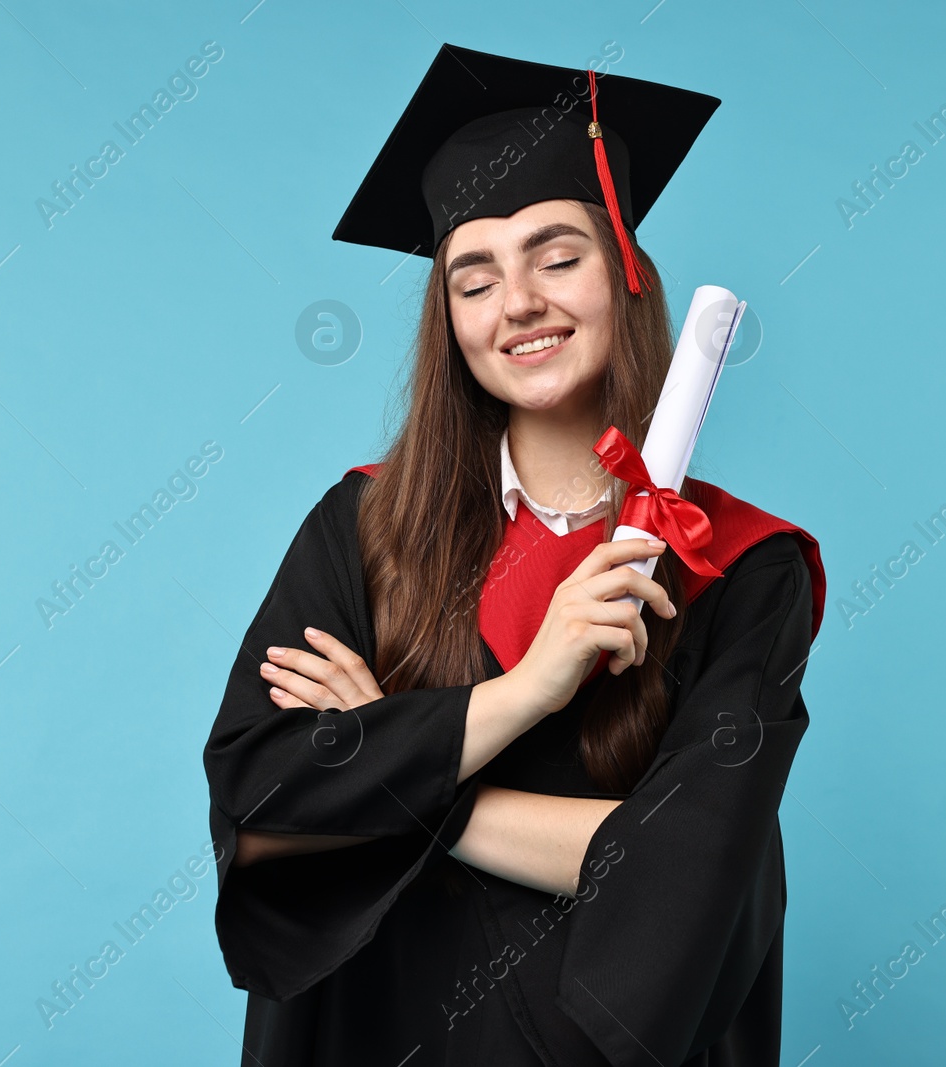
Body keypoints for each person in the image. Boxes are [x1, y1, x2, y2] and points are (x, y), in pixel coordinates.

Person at [203, 43, 827, 1067]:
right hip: (375, 1027)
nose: (517, 304)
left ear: (626, 272)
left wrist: (388, 775)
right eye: (473, 278)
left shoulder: (740, 563)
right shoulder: (360, 526)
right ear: (448, 319)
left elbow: (692, 864)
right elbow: (263, 800)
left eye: (558, 254)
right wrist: (528, 690)